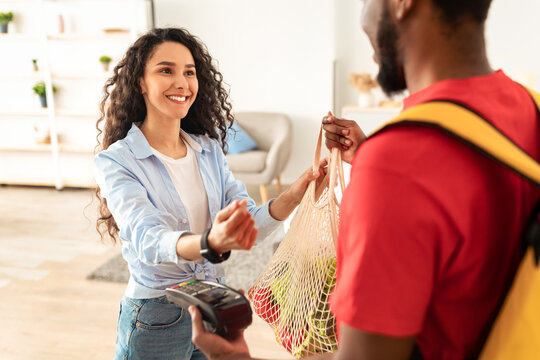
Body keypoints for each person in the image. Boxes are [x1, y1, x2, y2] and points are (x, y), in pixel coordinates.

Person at [189, 0, 540, 359]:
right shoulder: (532, 110)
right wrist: (377, 156)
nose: (363, 17)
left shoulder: (397, 164)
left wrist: (237, 358)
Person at [93, 27, 326, 360]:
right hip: (157, 315)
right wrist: (210, 243)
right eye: (165, 70)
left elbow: (249, 225)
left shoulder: (208, 150)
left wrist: (295, 193)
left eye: (189, 72)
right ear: (140, 83)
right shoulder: (117, 161)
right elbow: (147, 238)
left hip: (212, 306)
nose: (182, 82)